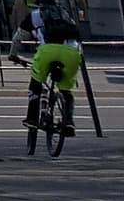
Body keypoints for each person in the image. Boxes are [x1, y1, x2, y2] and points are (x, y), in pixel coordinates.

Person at [25, 14, 84, 143]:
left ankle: (32, 119)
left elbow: (18, 37)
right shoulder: (69, 21)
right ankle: (69, 122)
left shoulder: (39, 21)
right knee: (66, 91)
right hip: (71, 53)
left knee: (36, 84)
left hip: (48, 51)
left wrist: (13, 55)